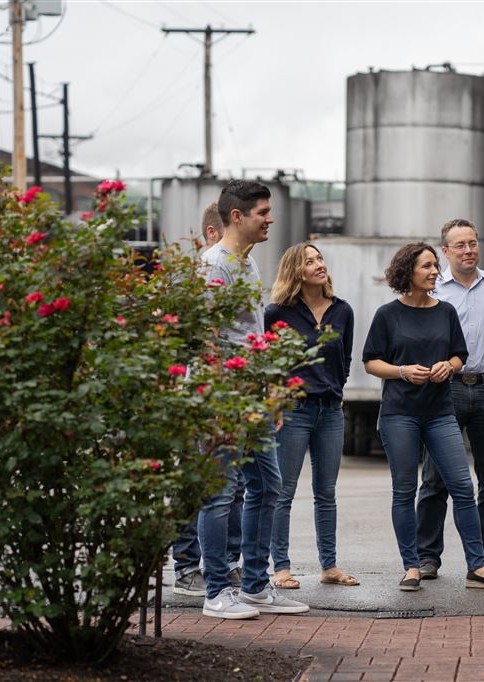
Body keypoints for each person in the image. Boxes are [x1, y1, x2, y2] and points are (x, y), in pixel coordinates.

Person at [363, 242, 484, 592]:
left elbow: (460, 353)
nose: (435, 272)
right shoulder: (388, 314)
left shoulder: (445, 311)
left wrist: (450, 365)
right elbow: (371, 362)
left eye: (435, 266)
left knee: (461, 486)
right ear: (408, 273)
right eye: (427, 267)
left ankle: (478, 567)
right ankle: (412, 566)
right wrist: (401, 371)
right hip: (400, 414)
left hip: (440, 412)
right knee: (405, 490)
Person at [197, 180, 309, 619]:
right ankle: (216, 591)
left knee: (267, 485)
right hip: (223, 394)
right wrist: (217, 402)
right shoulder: (214, 265)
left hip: (252, 395)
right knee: (221, 493)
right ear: (237, 216)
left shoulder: (247, 265)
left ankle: (257, 586)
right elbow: (206, 336)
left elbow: (252, 337)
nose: (270, 218)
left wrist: (268, 392)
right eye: (263, 212)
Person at [415, 219, 484, 581]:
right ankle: (427, 556)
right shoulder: (434, 289)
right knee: (435, 478)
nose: (468, 250)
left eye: (473, 243)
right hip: (444, 390)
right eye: (460, 245)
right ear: (445, 251)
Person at [265, 242, 358, 590]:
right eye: (309, 261)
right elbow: (270, 363)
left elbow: (345, 359)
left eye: (320, 257)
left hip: (331, 411)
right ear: (296, 271)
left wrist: (335, 387)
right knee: (283, 491)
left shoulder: (342, 310)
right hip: (293, 410)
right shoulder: (277, 313)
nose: (319, 264)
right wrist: (275, 401)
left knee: (326, 492)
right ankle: (282, 567)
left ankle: (329, 565)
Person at [172, 201, 246, 598]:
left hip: (223, 395)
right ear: (213, 233)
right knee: (199, 486)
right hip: (196, 395)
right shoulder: (204, 272)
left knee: (231, 489)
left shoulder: (240, 268)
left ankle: (222, 564)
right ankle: (187, 567)